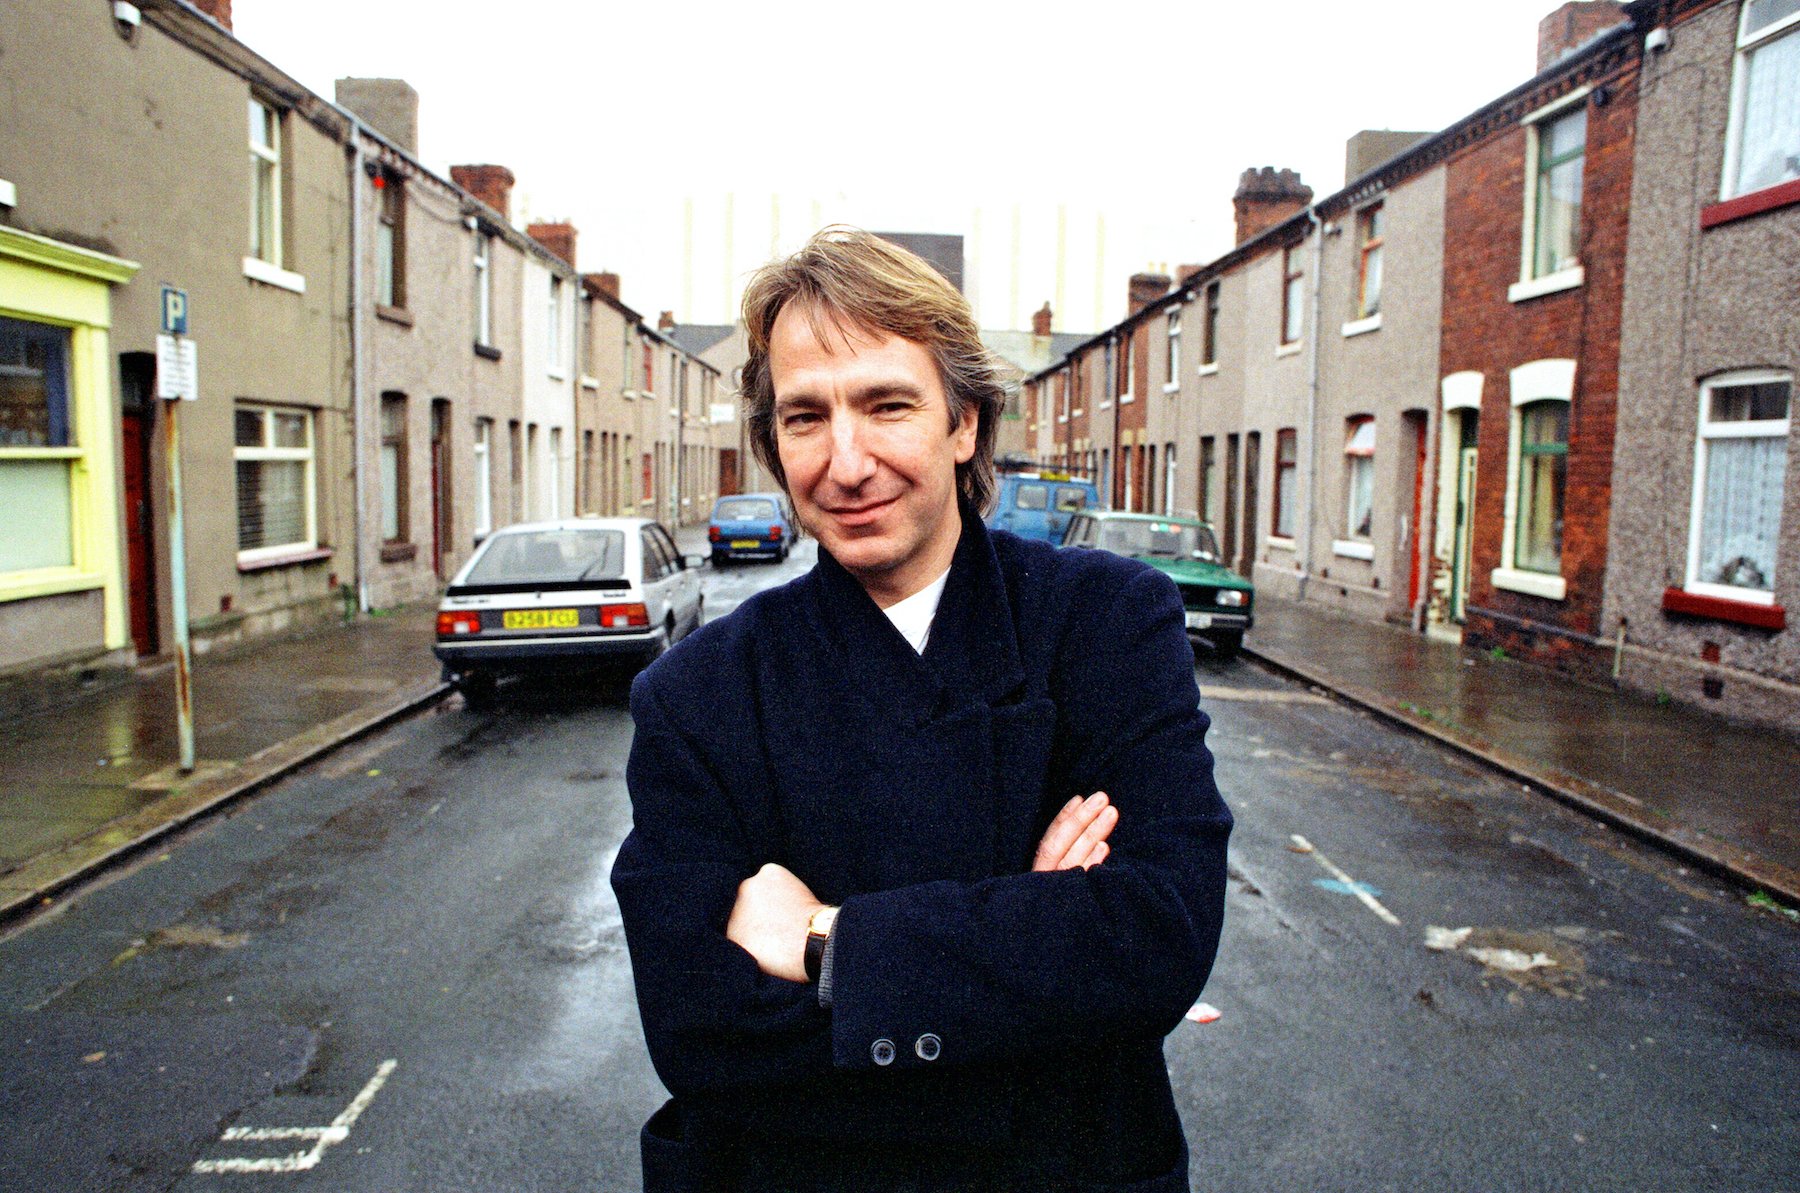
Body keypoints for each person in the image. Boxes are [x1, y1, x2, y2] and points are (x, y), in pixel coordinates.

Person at [611, 228, 1232, 1192]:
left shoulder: (1106, 625)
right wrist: (1035, 941)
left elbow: (1157, 936)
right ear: (774, 442)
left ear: (964, 423)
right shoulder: (700, 693)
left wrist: (829, 941)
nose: (846, 462)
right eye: (806, 417)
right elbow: (700, 1031)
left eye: (886, 404)